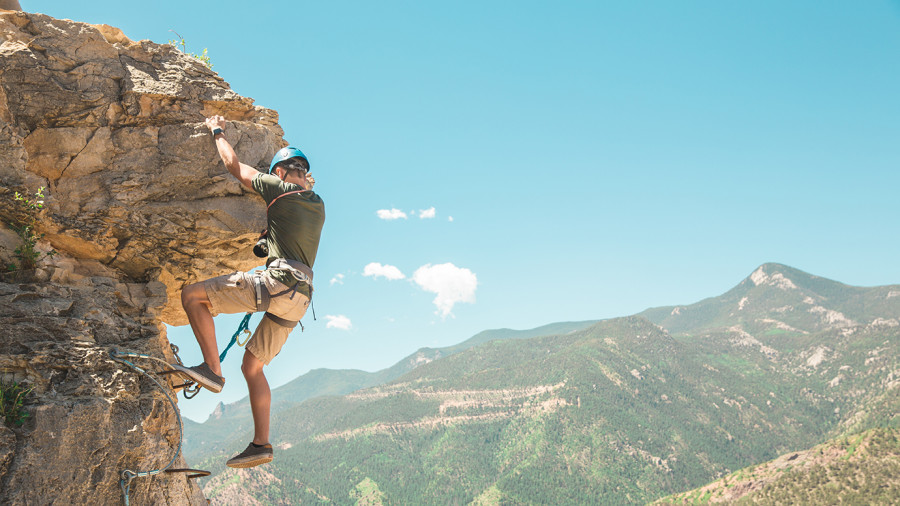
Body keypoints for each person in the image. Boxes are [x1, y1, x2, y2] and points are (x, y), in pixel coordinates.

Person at [172, 115, 325, 468]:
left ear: (282, 172)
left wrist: (216, 130)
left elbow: (234, 166)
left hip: (278, 283)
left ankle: (212, 369)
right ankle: (261, 444)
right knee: (253, 367)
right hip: (300, 300)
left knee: (192, 296)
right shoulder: (316, 203)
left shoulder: (280, 188)